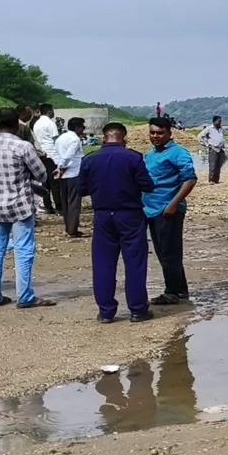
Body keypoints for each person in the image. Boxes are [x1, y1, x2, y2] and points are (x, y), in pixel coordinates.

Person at [80, 122, 156, 323]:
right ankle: (138, 310)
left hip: (103, 215)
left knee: (103, 263)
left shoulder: (90, 159)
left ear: (104, 137)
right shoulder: (133, 157)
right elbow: (147, 186)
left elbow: (81, 189)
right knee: (135, 263)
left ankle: (106, 312)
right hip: (129, 214)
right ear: (124, 138)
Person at [0, 108, 53, 308]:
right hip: (20, 206)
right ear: (15, 126)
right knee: (24, 250)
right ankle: (25, 297)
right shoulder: (23, 146)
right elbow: (42, 174)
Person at [144, 117, 197, 305]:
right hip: (151, 209)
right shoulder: (150, 155)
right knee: (162, 252)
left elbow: (190, 179)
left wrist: (174, 204)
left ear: (169, 133)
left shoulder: (178, 153)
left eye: (160, 133)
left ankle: (174, 292)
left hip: (168, 210)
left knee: (170, 252)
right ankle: (177, 289)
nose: (155, 136)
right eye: (152, 133)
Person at [54, 117, 87, 237]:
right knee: (74, 202)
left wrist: (59, 167)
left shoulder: (60, 138)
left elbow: (56, 154)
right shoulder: (75, 139)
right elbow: (69, 155)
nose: (83, 130)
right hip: (73, 173)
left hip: (63, 174)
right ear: (77, 127)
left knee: (65, 202)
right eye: (83, 127)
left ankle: (69, 226)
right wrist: (61, 166)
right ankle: (72, 229)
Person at [32, 103, 60, 215]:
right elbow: (56, 140)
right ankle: (59, 206)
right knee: (55, 183)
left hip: (41, 155)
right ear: (49, 111)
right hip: (51, 155)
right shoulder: (50, 123)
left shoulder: (36, 124)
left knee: (45, 182)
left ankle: (48, 206)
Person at [197, 115, 227, 184]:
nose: (220, 123)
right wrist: (207, 145)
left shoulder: (221, 129)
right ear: (214, 121)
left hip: (221, 149)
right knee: (213, 164)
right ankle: (211, 180)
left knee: (219, 165)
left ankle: (216, 180)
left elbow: (222, 138)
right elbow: (200, 136)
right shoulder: (209, 129)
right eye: (218, 121)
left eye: (220, 121)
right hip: (213, 148)